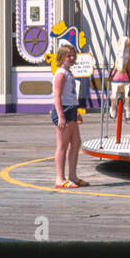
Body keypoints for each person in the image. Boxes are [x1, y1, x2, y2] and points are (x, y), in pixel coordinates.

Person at [51, 41, 86, 188]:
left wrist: (76, 112)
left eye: (73, 55)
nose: (72, 58)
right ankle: (60, 178)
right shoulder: (60, 74)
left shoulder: (69, 73)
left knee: (76, 143)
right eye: (68, 56)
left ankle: (72, 175)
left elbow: (70, 95)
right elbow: (57, 97)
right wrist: (61, 116)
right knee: (63, 145)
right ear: (61, 57)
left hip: (71, 109)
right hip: (63, 110)